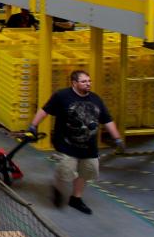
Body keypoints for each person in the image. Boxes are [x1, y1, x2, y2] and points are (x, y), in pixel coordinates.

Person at [29, 70, 124, 214]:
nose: (88, 84)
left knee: (86, 172)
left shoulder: (96, 99)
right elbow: (45, 110)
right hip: (66, 144)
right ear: (74, 83)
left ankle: (76, 198)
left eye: (89, 81)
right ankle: (57, 189)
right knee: (65, 172)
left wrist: (117, 138)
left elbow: (107, 119)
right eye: (84, 81)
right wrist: (33, 126)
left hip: (89, 146)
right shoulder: (62, 96)